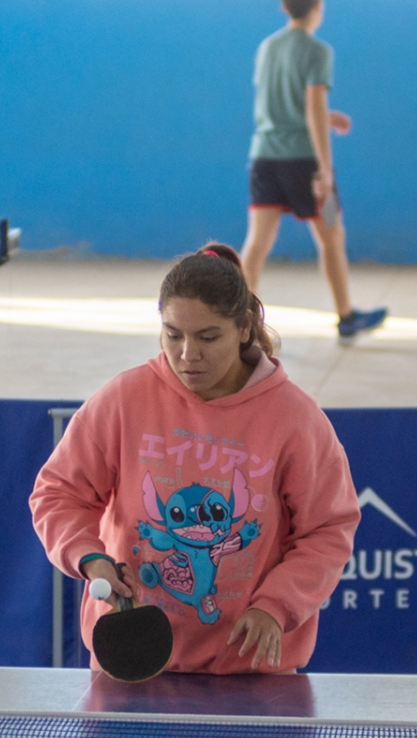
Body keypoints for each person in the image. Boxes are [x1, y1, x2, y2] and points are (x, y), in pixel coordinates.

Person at [30, 243, 359, 674]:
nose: (188, 354)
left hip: (250, 673)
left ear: (243, 329)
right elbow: (57, 494)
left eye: (208, 337)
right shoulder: (123, 400)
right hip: (134, 664)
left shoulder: (295, 418)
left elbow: (327, 529)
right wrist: (93, 560)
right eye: (173, 334)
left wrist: (276, 606)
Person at [239, 0, 386, 345]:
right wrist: (324, 168)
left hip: (264, 156)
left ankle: (238, 323)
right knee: (331, 239)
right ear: (317, 7)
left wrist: (327, 117)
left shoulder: (267, 46)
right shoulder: (318, 51)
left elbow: (278, 105)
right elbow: (312, 106)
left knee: (257, 244)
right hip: (302, 160)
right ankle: (346, 317)